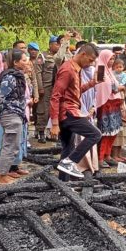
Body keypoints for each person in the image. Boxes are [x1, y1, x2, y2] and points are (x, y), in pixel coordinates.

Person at [50, 43, 102, 179]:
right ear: (83, 54)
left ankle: (62, 185)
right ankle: (70, 162)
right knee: (95, 134)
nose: (91, 64)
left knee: (68, 148)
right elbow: (55, 96)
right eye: (90, 60)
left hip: (70, 110)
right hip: (68, 113)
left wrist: (92, 83)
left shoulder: (76, 69)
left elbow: (75, 93)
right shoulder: (68, 69)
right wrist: (55, 123)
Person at [0, 49, 30, 185]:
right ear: (15, 62)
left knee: (14, 145)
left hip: (16, 114)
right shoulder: (10, 77)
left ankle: (3, 172)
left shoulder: (18, 76)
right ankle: (2, 175)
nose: (27, 63)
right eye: (24, 60)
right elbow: (0, 97)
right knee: (10, 145)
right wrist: (4, 112)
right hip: (11, 114)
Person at [95, 49, 124, 167]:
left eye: (113, 59)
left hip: (114, 104)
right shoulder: (101, 69)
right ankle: (100, 157)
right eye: (110, 59)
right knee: (105, 132)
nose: (111, 61)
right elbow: (103, 86)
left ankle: (108, 155)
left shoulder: (110, 71)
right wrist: (118, 88)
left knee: (113, 131)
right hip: (105, 104)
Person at [111, 58, 126, 164]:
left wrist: (123, 90)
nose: (119, 69)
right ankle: (114, 155)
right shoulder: (111, 75)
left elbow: (123, 87)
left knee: (123, 131)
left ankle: (119, 154)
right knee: (117, 132)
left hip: (122, 105)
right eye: (117, 66)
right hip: (117, 106)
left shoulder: (124, 76)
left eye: (121, 67)